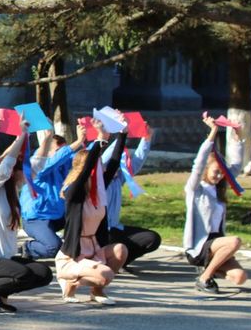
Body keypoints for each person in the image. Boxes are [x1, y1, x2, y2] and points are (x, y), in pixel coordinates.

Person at [0, 120, 52, 312]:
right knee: (21, 273)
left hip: (5, 257)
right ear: (14, 173)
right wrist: (21, 137)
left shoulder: (14, 190)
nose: (26, 176)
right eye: (23, 172)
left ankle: (1, 293)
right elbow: (5, 167)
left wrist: (46, 139)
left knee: (43, 273)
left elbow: (36, 166)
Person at [56, 122, 128, 305]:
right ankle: (69, 282)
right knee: (105, 274)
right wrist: (99, 141)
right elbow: (87, 168)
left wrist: (122, 134)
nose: (102, 169)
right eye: (97, 166)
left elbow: (114, 163)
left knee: (120, 250)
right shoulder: (73, 192)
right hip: (74, 252)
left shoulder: (98, 190)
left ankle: (97, 291)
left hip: (93, 247)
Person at [184, 116, 248, 294]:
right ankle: (204, 278)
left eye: (221, 173)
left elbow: (235, 165)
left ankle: (207, 271)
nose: (219, 176)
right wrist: (213, 132)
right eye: (216, 172)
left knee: (240, 278)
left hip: (218, 245)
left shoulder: (219, 189)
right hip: (200, 246)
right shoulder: (195, 189)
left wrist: (238, 136)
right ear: (206, 170)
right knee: (235, 241)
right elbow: (198, 163)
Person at [20, 128, 87, 259]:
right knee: (53, 248)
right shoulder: (37, 166)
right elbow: (54, 160)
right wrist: (78, 141)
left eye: (64, 151)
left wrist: (101, 137)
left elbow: (84, 158)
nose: (64, 155)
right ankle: (29, 247)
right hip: (36, 218)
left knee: (87, 220)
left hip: (57, 217)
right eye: (58, 151)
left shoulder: (64, 167)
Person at [105, 126, 161, 269]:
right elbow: (105, 158)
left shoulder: (118, 179)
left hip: (115, 228)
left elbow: (136, 162)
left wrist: (146, 138)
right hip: (99, 232)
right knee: (112, 240)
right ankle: (108, 259)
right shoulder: (97, 181)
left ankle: (120, 260)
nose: (118, 168)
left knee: (152, 239)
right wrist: (122, 135)